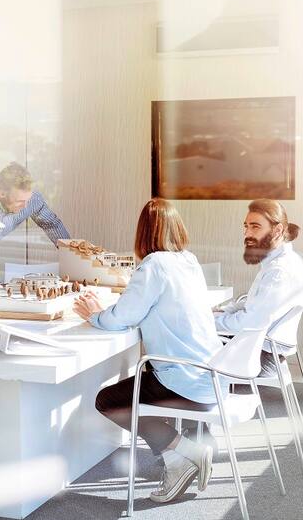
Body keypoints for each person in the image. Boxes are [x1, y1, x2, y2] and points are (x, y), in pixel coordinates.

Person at [73, 198, 221, 504]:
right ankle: (177, 455)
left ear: (144, 233)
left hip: (182, 379)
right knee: (135, 389)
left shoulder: (154, 265)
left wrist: (94, 314)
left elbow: (123, 317)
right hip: (210, 374)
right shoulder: (188, 261)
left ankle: (183, 453)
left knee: (108, 400)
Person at [214, 198, 303, 377]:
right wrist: (219, 313)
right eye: (246, 226)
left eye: (255, 227)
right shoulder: (278, 262)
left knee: (185, 348)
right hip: (260, 349)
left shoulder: (279, 272)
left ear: (278, 230)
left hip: (261, 357)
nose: (247, 233)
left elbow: (248, 323)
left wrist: (208, 322)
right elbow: (251, 306)